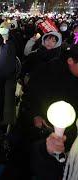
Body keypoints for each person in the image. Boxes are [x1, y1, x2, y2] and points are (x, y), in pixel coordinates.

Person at [29, 44, 78, 180]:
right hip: (45, 126)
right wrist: (36, 115)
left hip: (70, 131)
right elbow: (33, 94)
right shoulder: (49, 70)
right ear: (70, 60)